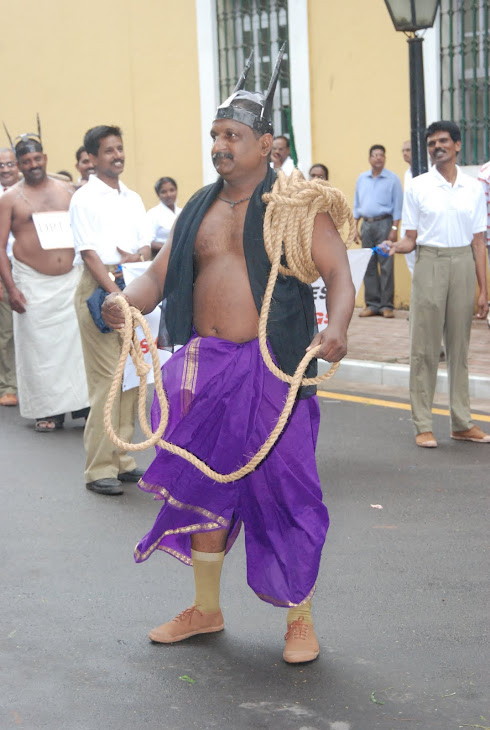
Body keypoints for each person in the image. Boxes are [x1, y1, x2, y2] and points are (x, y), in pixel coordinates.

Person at [101, 50, 355, 663]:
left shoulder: (294, 207)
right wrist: (120, 302)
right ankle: (206, 610)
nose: (220, 145)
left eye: (233, 136)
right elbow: (156, 279)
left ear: (266, 144)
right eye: (215, 135)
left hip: (274, 372)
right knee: (201, 488)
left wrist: (339, 326)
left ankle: (299, 618)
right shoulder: (196, 208)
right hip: (206, 368)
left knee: (287, 493)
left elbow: (340, 274)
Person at [386, 121, 490, 447]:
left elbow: (478, 242)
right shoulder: (417, 186)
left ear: (457, 145)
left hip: (463, 263)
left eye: (443, 141)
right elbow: (411, 239)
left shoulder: (473, 188)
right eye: (432, 143)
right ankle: (423, 424)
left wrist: (484, 289)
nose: (437, 147)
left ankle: (461, 422)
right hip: (429, 262)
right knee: (425, 348)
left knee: (460, 348)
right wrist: (395, 246)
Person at [70, 125, 151, 496]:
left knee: (133, 378)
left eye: (120, 149)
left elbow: (144, 247)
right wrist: (116, 293)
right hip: (100, 290)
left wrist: (133, 271)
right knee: (108, 379)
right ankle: (98, 467)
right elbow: (90, 255)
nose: (117, 155)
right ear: (92, 158)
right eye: (108, 151)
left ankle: (123, 459)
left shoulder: (132, 198)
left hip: (133, 283)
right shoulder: (84, 198)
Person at [0, 134, 89, 431]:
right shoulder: (10, 198)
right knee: (40, 351)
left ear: (45, 158)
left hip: (70, 280)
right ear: (20, 165)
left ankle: (80, 405)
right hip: (31, 282)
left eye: (37, 159)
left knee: (76, 348)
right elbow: (0, 246)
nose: (32, 165)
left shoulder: (67, 189)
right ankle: (47, 411)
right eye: (26, 161)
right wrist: (11, 287)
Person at [353, 144, 403, 318]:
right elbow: (357, 204)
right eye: (374, 155)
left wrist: (394, 229)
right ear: (369, 158)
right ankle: (372, 304)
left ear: (385, 158)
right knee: (368, 264)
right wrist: (354, 226)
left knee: (386, 265)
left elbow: (398, 206)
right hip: (366, 225)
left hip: (385, 224)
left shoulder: (393, 179)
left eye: (381, 155)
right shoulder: (362, 178)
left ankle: (387, 305)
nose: (378, 158)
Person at [0, 148, 21, 407]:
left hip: (32, 270)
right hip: (4, 270)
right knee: (6, 333)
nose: (5, 169)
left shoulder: (31, 193)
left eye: (9, 164)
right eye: (0, 165)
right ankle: (8, 385)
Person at [145, 176, 181, 258]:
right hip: (161, 257)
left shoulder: (182, 212)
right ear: (158, 194)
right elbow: (148, 242)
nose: (169, 195)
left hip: (181, 256)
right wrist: (170, 248)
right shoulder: (153, 214)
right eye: (163, 192)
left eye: (172, 190)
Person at [401, 140, 415, 277]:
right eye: (403, 151)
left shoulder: (426, 170)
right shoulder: (407, 174)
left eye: (408, 150)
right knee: (412, 267)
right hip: (407, 226)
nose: (405, 153)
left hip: (421, 228)